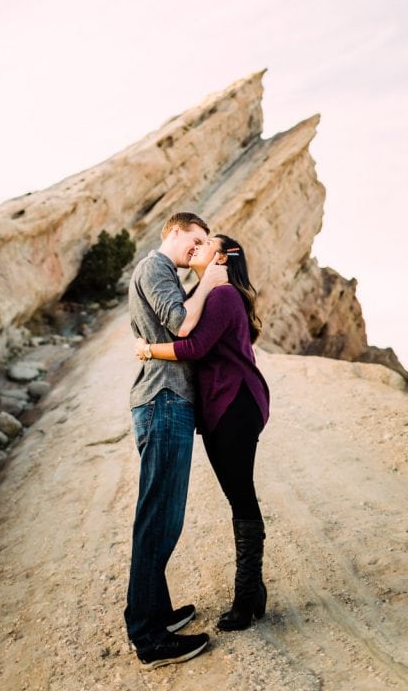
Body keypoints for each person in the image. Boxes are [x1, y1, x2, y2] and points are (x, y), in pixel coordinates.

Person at [136, 233, 270, 631]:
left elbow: (192, 347)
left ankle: (246, 597)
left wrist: (146, 350)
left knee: (241, 493)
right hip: (220, 406)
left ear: (224, 256)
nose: (198, 246)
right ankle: (254, 590)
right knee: (237, 493)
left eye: (207, 242)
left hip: (236, 402)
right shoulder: (210, 294)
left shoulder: (224, 295)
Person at [125, 211, 229, 669]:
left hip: (168, 401)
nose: (199, 246)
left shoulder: (165, 274)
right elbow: (183, 324)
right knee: (159, 517)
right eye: (196, 237)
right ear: (174, 231)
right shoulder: (156, 267)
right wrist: (211, 280)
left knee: (163, 513)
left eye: (206, 241)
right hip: (163, 400)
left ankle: (158, 613)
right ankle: (148, 637)